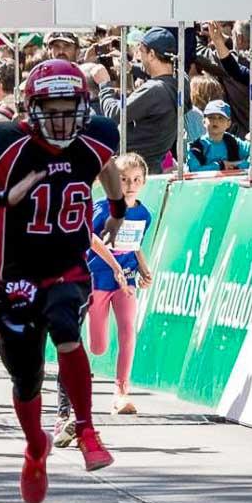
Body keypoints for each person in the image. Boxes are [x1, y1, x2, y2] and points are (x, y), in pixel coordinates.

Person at [0, 58, 128, 503]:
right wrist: (1, 198)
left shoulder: (94, 140)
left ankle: (87, 429)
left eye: (70, 108)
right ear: (32, 110)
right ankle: (35, 448)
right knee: (25, 375)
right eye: (52, 109)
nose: (62, 119)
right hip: (16, 279)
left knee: (67, 328)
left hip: (68, 265)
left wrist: (117, 207)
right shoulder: (6, 148)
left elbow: (105, 163)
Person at [83, 153, 153, 419]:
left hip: (126, 280)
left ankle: (121, 393)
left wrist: (144, 269)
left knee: (127, 332)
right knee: (99, 346)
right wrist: (113, 265)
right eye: (123, 179)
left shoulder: (143, 213)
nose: (130, 185)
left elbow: (134, 245)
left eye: (136, 179)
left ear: (144, 182)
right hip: (98, 278)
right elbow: (92, 239)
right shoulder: (102, 208)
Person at [95, 27, 179, 171]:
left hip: (132, 171)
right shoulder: (180, 84)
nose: (138, 55)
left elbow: (115, 113)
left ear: (151, 54)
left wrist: (104, 85)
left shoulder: (155, 90)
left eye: (141, 51)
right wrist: (131, 68)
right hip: (150, 168)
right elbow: (169, 73)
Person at [188, 100, 250, 172]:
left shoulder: (233, 142)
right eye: (211, 117)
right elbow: (193, 170)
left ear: (228, 124)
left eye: (220, 118)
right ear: (204, 122)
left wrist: (237, 166)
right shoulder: (197, 147)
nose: (215, 121)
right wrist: (220, 166)